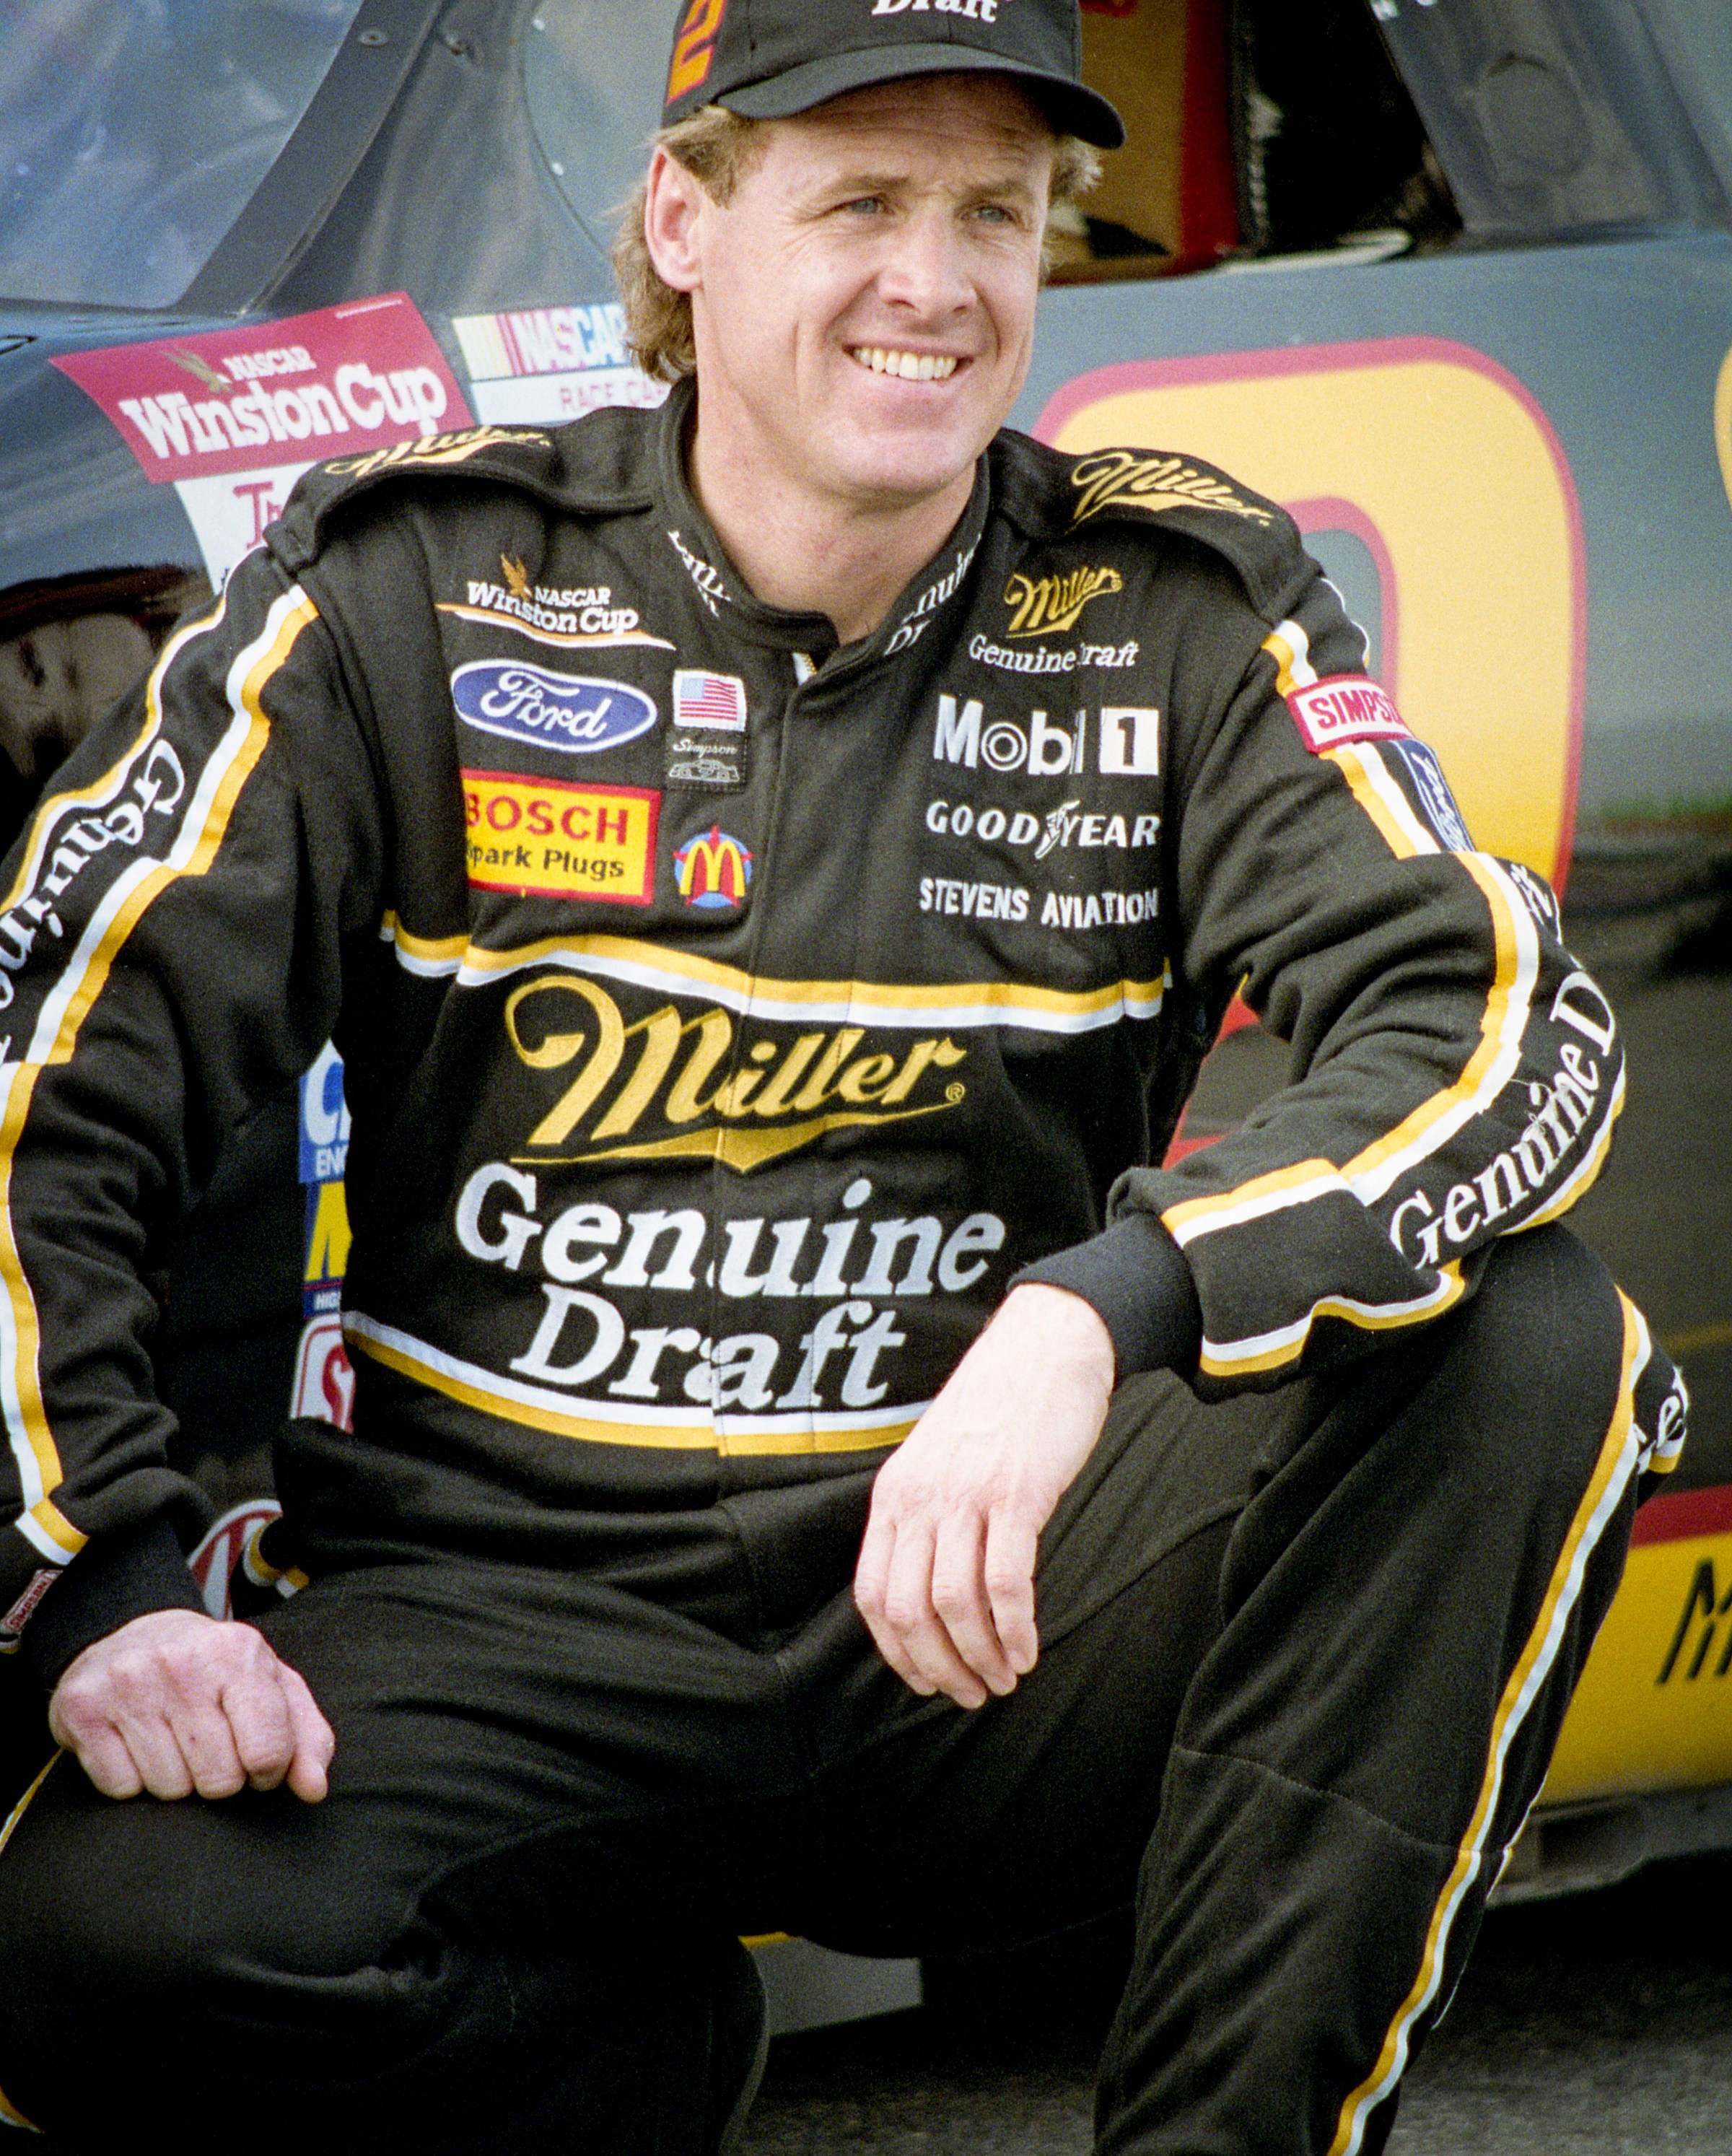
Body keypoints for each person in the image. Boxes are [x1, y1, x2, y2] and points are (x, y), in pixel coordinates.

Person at [0, 0, 1689, 2147]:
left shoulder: (1170, 608)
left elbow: (1500, 1015)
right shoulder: (415, 585)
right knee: (100, 1935)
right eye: (862, 199)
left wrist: (1107, 1305)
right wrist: (108, 1568)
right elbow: (44, 1069)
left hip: (971, 1619)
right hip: (510, 1625)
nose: (936, 277)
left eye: (995, 209)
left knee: (1528, 1349)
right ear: (683, 220)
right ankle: (608, 2055)